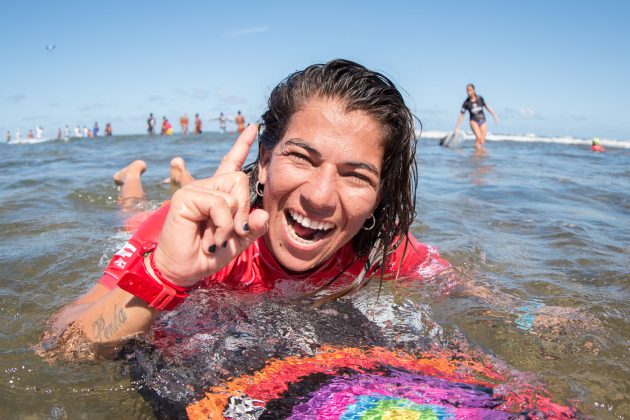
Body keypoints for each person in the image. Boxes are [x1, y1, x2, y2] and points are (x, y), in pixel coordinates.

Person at [38, 59, 450, 360]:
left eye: (356, 175)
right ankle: (131, 175)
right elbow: (56, 345)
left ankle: (183, 174)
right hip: (161, 229)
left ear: (379, 197)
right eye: (302, 158)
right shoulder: (189, 231)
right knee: (131, 211)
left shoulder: (379, 247)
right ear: (265, 161)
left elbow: (468, 290)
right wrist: (165, 275)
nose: (321, 197)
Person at [454, 84, 499, 153]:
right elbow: (461, 115)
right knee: (479, 137)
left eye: (470, 90)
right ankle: (477, 152)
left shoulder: (480, 98)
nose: (468, 92)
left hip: (483, 120)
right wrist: (457, 127)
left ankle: (477, 154)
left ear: (473, 90)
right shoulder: (466, 103)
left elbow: (487, 107)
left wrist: (494, 115)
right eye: (467, 91)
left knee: (482, 141)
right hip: (473, 121)